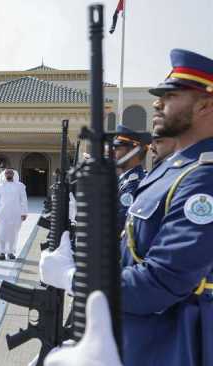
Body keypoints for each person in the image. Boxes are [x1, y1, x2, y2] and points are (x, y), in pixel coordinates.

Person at [40, 49, 213, 366]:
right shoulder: (173, 170)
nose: (157, 103)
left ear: (204, 105)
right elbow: (131, 247)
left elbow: (162, 280)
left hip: (170, 344)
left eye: (170, 96)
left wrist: (73, 277)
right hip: (135, 334)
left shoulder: (204, 179)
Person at [111, 124, 152, 233]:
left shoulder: (134, 184)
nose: (113, 152)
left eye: (117, 148)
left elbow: (119, 224)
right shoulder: (123, 180)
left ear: (134, 151)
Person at [0, 168, 28, 261]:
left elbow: (24, 200)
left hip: (16, 213)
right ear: (4, 174)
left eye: (10, 173)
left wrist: (24, 212)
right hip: (2, 214)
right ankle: (2, 252)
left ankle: (10, 252)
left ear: (14, 174)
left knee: (13, 233)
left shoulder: (20, 186)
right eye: (7, 173)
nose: (9, 174)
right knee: (1, 233)